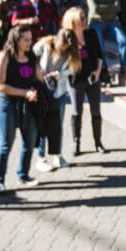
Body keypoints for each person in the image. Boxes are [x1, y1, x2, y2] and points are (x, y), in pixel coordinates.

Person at [0, 26, 43, 191]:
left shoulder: (31, 56)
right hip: (6, 103)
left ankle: (23, 175)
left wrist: (41, 85)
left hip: (27, 103)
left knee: (29, 140)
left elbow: (38, 78)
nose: (30, 42)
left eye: (30, 39)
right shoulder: (4, 57)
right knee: (6, 143)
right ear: (16, 39)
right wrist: (24, 92)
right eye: (26, 39)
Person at [33, 29, 80, 172]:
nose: (64, 49)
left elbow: (73, 69)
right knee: (42, 124)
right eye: (63, 45)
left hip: (58, 91)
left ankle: (56, 154)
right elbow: (31, 54)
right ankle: (40, 158)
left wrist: (59, 74)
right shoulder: (46, 44)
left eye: (67, 47)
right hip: (42, 89)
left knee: (57, 124)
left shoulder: (72, 51)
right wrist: (37, 72)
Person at [62, 6, 105, 155]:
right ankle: (76, 142)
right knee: (76, 111)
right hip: (75, 79)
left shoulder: (91, 33)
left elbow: (99, 54)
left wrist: (98, 71)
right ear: (72, 21)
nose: (84, 20)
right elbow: (61, 60)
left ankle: (98, 142)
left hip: (93, 77)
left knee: (95, 110)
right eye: (81, 18)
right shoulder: (66, 37)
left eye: (84, 17)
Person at [85, 0, 126, 81]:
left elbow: (117, 7)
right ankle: (104, 71)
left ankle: (123, 68)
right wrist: (110, 7)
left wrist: (103, 8)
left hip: (111, 22)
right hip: (96, 22)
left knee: (123, 40)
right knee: (100, 45)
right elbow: (95, 9)